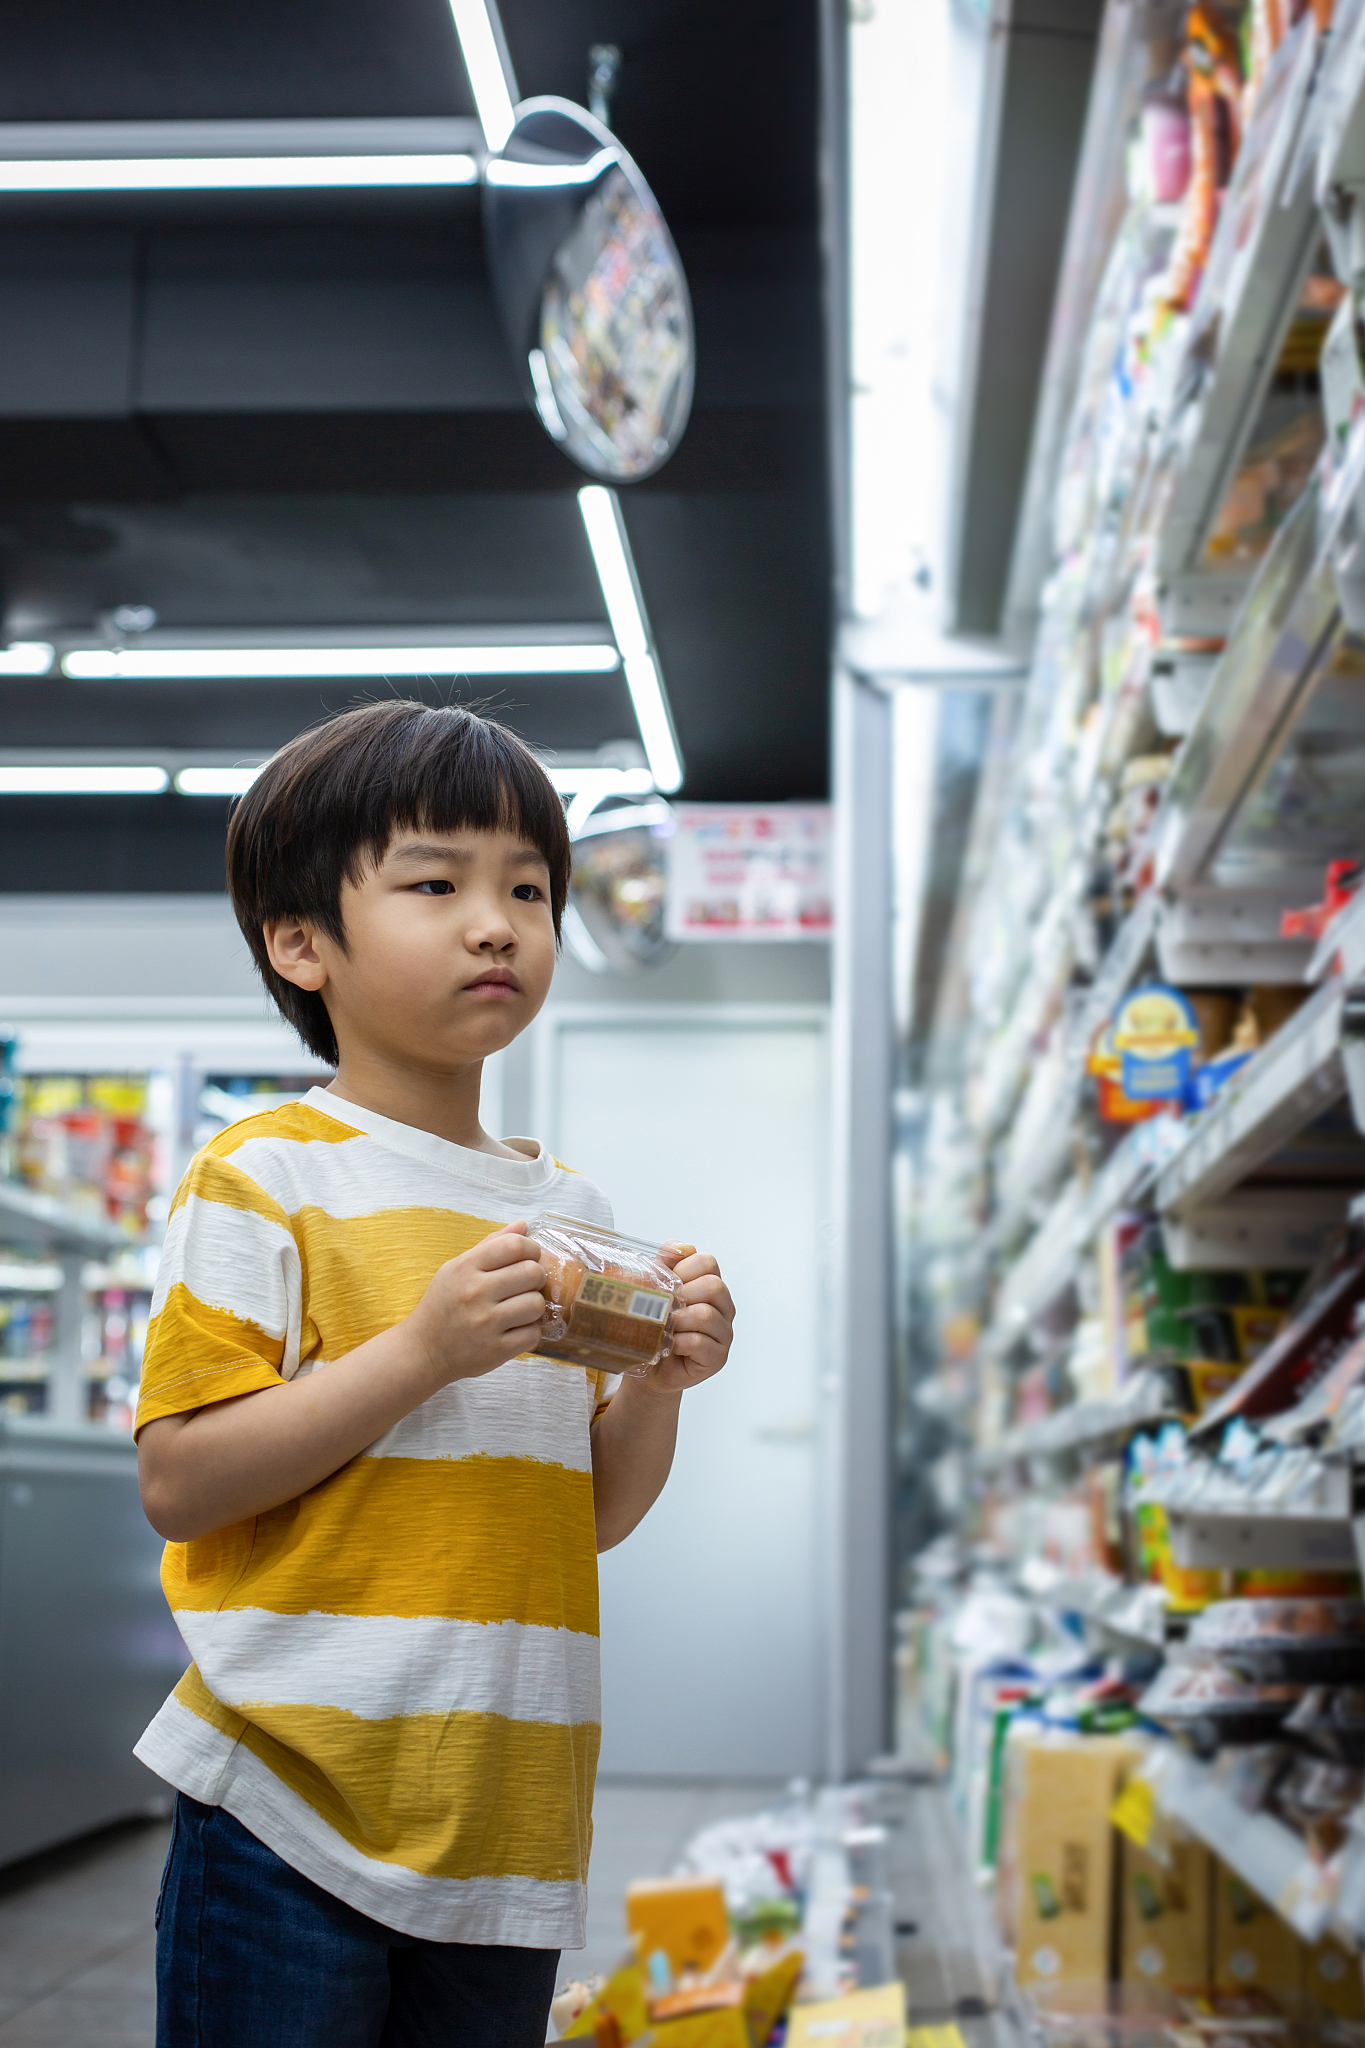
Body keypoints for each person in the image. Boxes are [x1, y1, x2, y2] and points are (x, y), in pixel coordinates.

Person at [134, 701, 736, 2048]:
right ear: (301, 944)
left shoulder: (566, 1208)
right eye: (435, 883)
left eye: (529, 887)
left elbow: (582, 1514)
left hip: (507, 1817)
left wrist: (660, 1386)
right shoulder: (265, 1177)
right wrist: (419, 1351)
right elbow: (180, 1481)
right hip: (290, 1798)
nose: (497, 922)